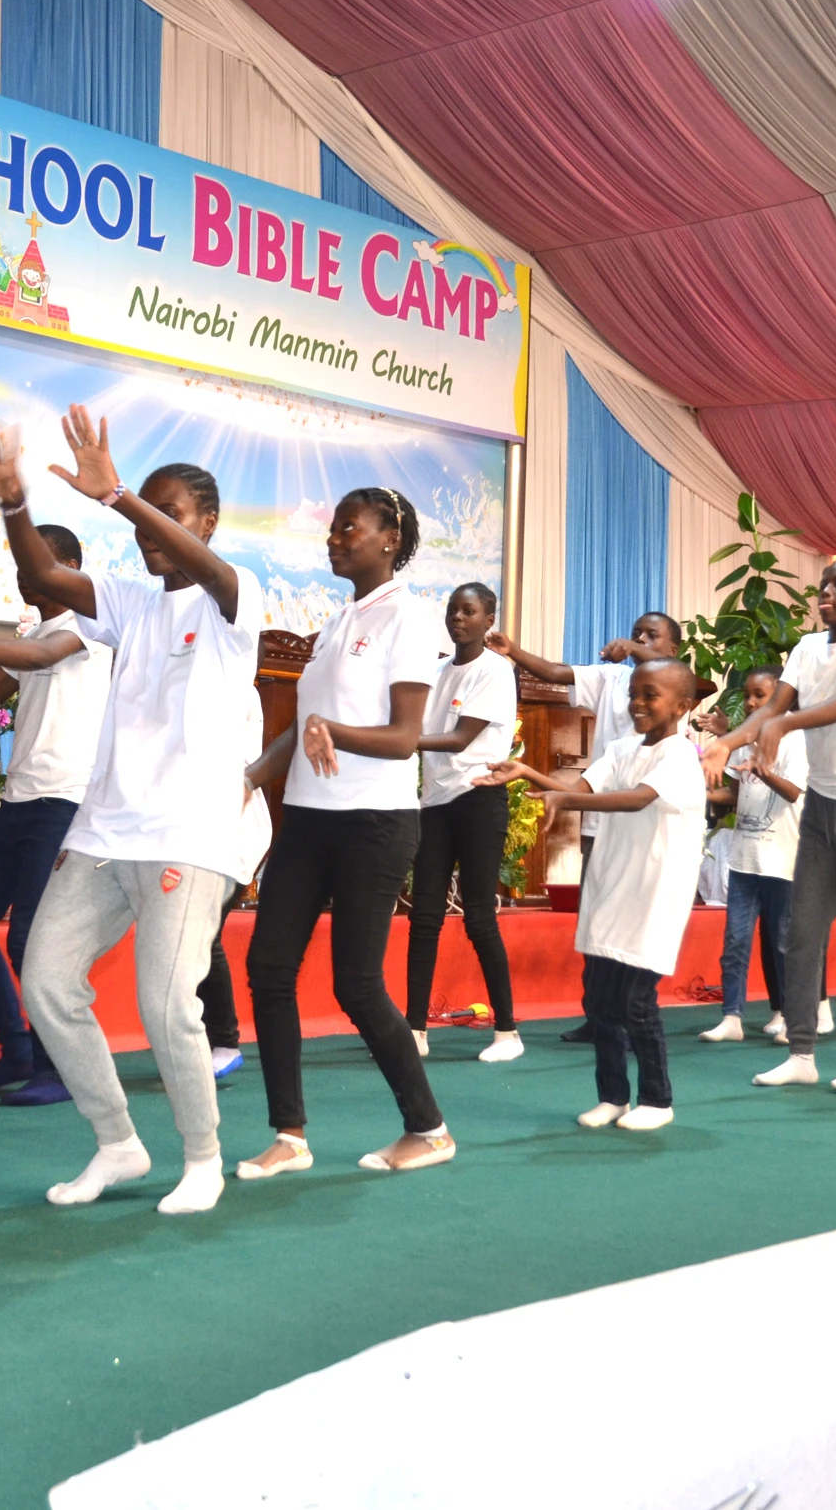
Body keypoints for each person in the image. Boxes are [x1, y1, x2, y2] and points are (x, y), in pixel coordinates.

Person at [0, 409, 261, 1215]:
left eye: (172, 514)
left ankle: (202, 1157)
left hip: (190, 835)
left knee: (167, 1004)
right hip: (105, 831)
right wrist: (13, 502)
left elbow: (210, 573)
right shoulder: (131, 602)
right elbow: (43, 577)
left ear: (208, 522)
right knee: (46, 981)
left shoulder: (235, 598)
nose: (149, 531)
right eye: (146, 517)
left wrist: (119, 497)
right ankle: (117, 1142)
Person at [239, 489, 452, 1179]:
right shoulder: (336, 622)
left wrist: (330, 729)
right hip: (307, 817)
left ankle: (428, 1128)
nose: (333, 538)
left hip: (373, 822)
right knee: (270, 968)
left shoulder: (409, 617)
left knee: (357, 985)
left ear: (390, 538)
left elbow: (404, 737)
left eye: (347, 527)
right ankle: (289, 1135)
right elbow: (306, 729)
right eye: (331, 528)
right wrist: (249, 778)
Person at [706, 557, 836, 1095]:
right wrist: (727, 742)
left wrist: (785, 722)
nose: (826, 591)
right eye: (823, 583)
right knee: (800, 933)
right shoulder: (805, 648)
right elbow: (770, 709)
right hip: (822, 806)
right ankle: (801, 1054)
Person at [480, 660, 707, 1129]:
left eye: (651, 695)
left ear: (682, 706)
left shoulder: (681, 756)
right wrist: (527, 772)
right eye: (634, 694)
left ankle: (657, 1101)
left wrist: (568, 799)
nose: (637, 703)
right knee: (601, 1003)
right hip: (610, 887)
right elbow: (578, 787)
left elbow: (637, 798)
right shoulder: (621, 749)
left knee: (636, 1003)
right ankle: (613, 1096)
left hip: (653, 895)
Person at [0, 524, 112, 1106]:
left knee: (31, 940)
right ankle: (16, 1049)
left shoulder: (92, 627)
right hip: (19, 802)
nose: (24, 577)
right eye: (20, 566)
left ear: (69, 568)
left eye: (36, 565)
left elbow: (40, 655)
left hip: (66, 803)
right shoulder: (35, 633)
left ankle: (57, 1066)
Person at [485, 610, 681, 1042]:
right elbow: (556, 673)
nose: (640, 639)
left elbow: (638, 797)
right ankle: (599, 1017)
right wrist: (513, 651)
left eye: (651, 636)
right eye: (635, 633)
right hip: (598, 822)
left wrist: (634, 648)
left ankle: (632, 1019)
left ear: (672, 649)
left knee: (630, 926)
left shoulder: (677, 698)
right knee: (595, 922)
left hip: (643, 832)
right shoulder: (613, 680)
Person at [405, 582, 524, 1064]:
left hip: (479, 798)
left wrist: (399, 740)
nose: (458, 617)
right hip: (436, 802)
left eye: (469, 611)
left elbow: (458, 739)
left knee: (478, 917)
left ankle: (507, 1031)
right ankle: (414, 1030)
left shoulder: (495, 671)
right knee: (423, 918)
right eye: (453, 609)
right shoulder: (436, 671)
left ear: (488, 620)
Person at [700, 665, 806, 1043]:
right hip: (744, 859)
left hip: (784, 860)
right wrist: (698, 791)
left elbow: (794, 792)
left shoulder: (797, 738)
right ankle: (732, 1017)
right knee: (735, 940)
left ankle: (790, 1017)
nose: (749, 702)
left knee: (783, 942)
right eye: (747, 695)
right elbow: (733, 793)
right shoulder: (744, 740)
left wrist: (762, 771)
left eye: (760, 695)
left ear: (783, 697)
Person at [199, 686, 275, 1081]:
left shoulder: (238, 689)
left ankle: (225, 1044)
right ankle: (199, 1041)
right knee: (189, 937)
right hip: (194, 834)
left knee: (203, 934)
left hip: (234, 832)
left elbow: (235, 768)